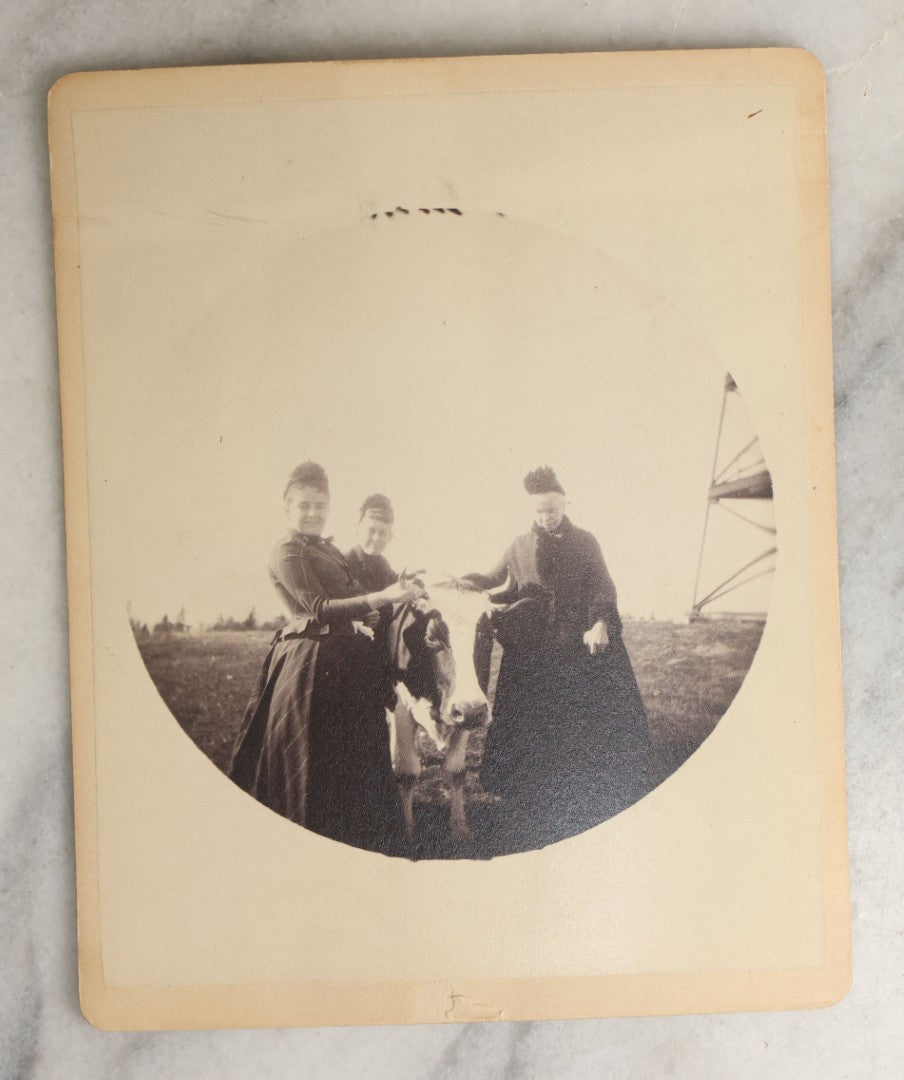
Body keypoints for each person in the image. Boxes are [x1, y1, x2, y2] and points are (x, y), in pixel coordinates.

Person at [227, 462, 423, 855]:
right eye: (304, 505)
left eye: (320, 505)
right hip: (310, 666)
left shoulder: (329, 550)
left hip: (347, 665)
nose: (313, 512)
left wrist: (369, 612)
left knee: (356, 762)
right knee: (311, 768)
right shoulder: (286, 550)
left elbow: (351, 593)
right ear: (287, 508)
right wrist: (378, 599)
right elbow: (317, 606)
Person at [464, 466, 652, 852]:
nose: (546, 518)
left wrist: (600, 622)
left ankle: (581, 801)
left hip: (577, 650)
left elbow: (603, 586)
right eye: (539, 512)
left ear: (565, 502)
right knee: (531, 728)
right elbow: (491, 580)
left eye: (552, 509)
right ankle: (527, 803)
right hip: (531, 654)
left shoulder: (585, 542)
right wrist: (456, 584)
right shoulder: (518, 545)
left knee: (579, 728)